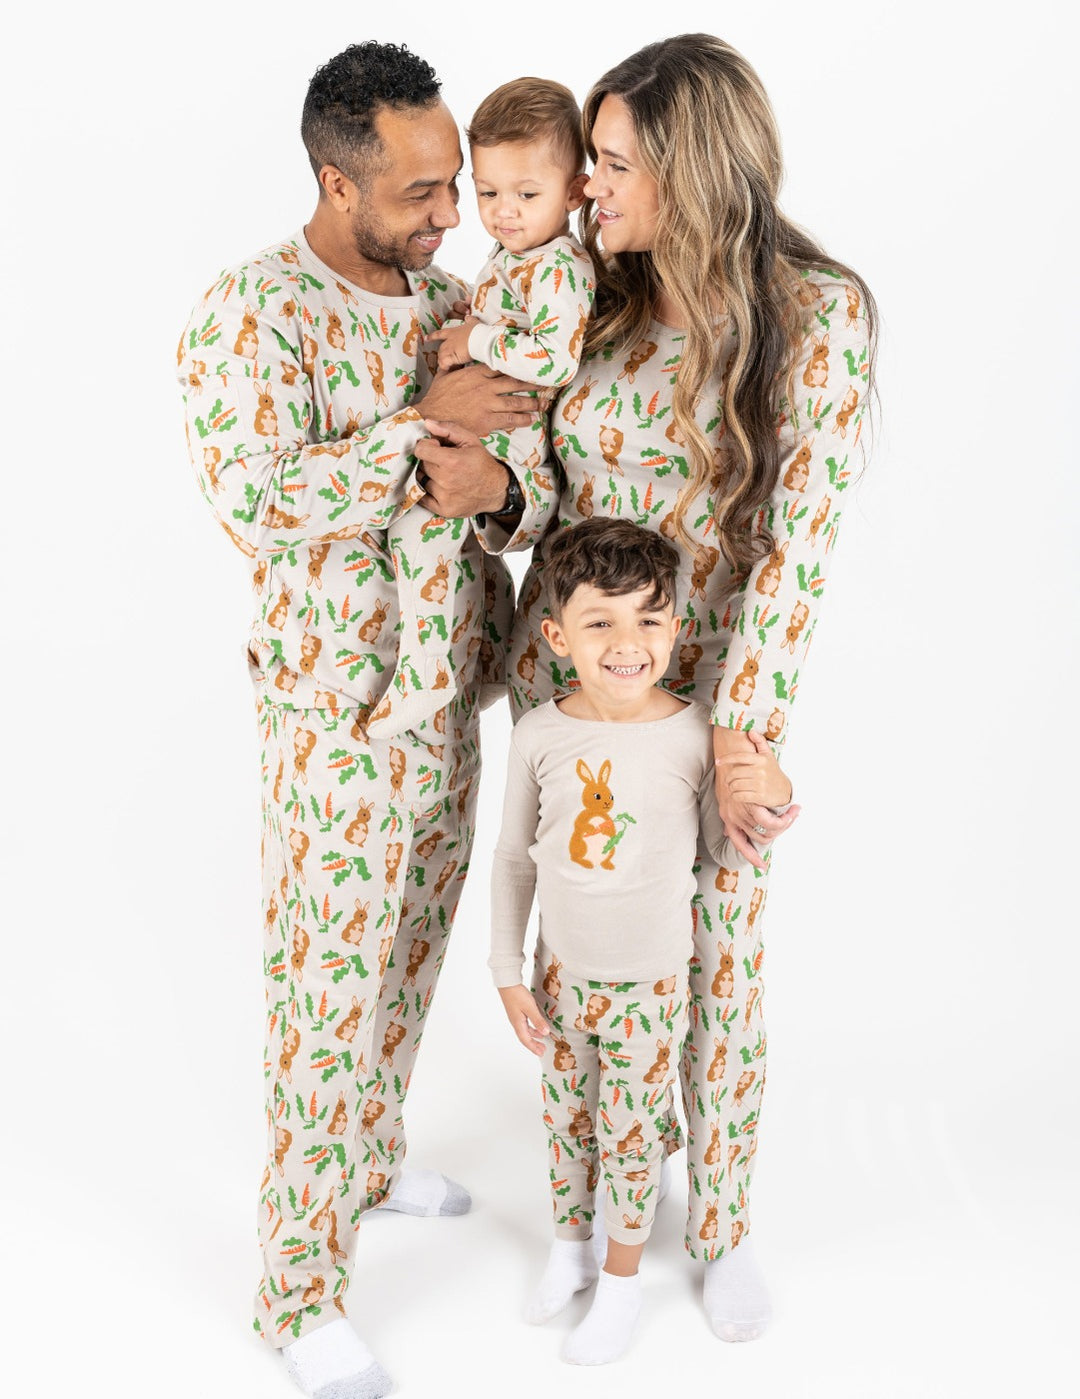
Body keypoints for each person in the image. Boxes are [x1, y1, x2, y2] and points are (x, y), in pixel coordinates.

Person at [418, 32, 877, 1343]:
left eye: (614, 163)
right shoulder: (594, 298)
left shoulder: (816, 315)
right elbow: (554, 496)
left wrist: (743, 735)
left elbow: (800, 541)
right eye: (590, 161)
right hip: (571, 684)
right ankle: (598, 1199)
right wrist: (496, 492)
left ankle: (719, 1223)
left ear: (692, 166)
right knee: (583, 952)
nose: (586, 186)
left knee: (716, 957)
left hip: (708, 702)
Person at [175, 40, 545, 1399]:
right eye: (421, 193)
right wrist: (414, 428)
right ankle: (297, 1288)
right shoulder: (250, 314)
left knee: (406, 964)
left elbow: (518, 479)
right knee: (324, 998)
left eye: (455, 186)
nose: (453, 215)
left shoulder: (453, 302)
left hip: (451, 697)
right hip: (337, 721)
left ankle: (371, 1158)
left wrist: (502, 493)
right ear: (339, 184)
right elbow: (259, 503)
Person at [490, 518, 791, 1364]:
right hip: (561, 979)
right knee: (567, 1121)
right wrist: (507, 970)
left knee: (628, 1135)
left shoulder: (694, 735)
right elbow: (513, 857)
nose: (627, 644)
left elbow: (723, 842)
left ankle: (621, 1285)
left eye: (648, 620)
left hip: (652, 987)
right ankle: (570, 1248)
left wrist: (773, 792)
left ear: (676, 628)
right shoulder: (540, 733)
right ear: (558, 636)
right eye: (601, 622)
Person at [386, 76, 595, 720]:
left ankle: (429, 672)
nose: (505, 211)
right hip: (492, 420)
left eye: (527, 194)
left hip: (513, 430)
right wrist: (469, 334)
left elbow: (555, 357)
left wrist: (476, 340)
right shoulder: (513, 255)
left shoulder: (559, 266)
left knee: (422, 525)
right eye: (487, 192)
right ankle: (456, 661)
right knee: (427, 534)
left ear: (574, 191)